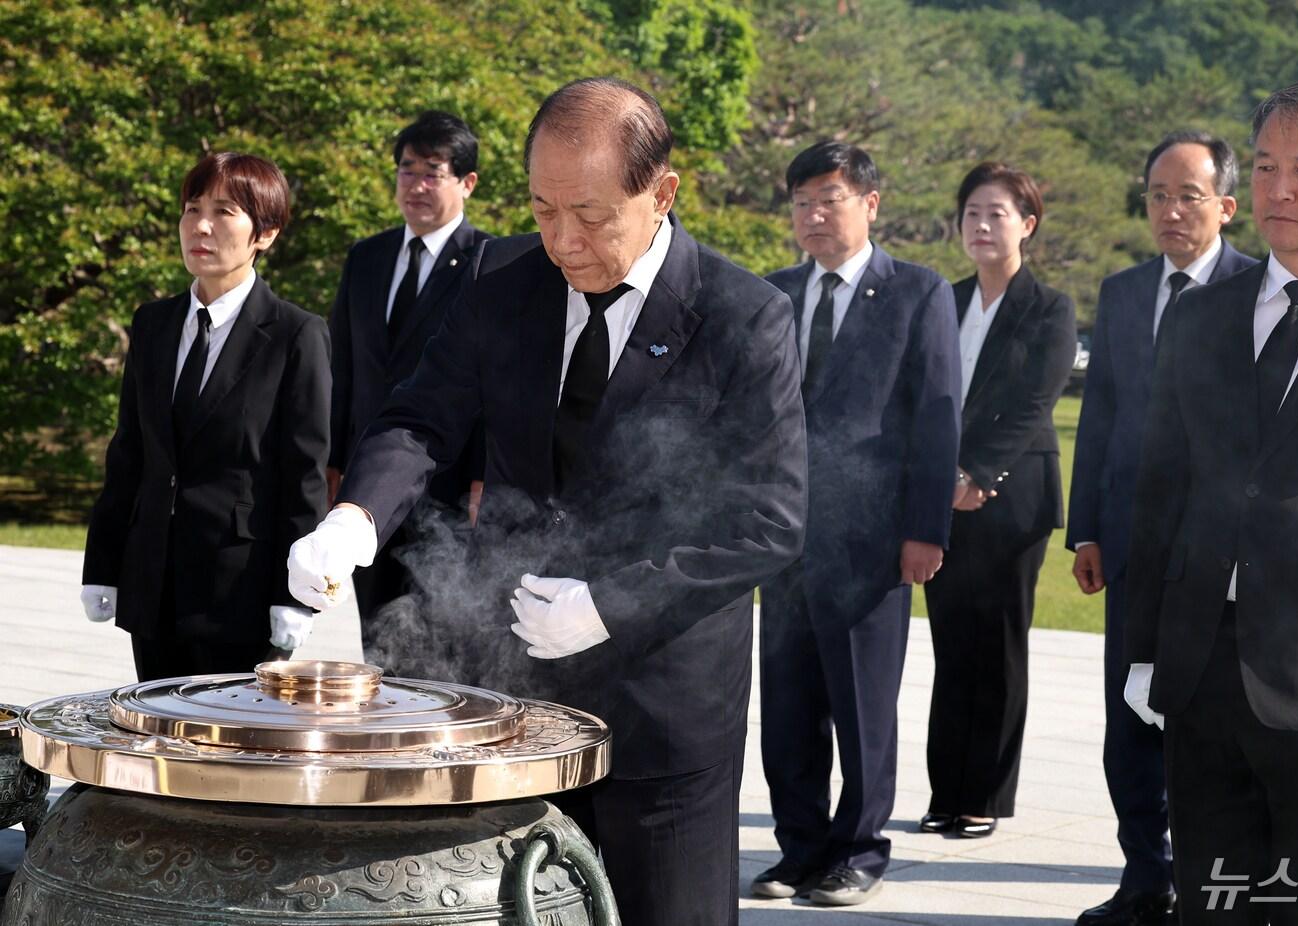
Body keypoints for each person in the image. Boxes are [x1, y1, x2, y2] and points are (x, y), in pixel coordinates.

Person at [286, 77, 807, 926]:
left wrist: (612, 604)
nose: (563, 241)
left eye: (592, 217)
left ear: (660, 193)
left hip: (661, 709)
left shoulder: (744, 317)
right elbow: (420, 418)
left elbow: (770, 521)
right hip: (519, 701)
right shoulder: (502, 284)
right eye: (541, 211)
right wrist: (357, 518)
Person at [1124, 81, 1298, 923]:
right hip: (1204, 672)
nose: (1279, 190)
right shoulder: (1202, 317)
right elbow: (1160, 492)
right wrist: (1142, 649)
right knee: (1214, 901)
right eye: (1269, 166)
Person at [753, 142, 960, 906]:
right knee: (787, 707)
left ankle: (861, 849)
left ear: (871, 203)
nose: (813, 214)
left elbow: (937, 420)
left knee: (863, 706)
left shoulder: (917, 292)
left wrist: (926, 528)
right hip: (782, 540)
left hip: (873, 539)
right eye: (802, 200)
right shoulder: (772, 295)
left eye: (829, 198)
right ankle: (799, 848)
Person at [1066, 131, 1256, 926]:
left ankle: (1214, 885)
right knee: (1127, 723)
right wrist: (1085, 532)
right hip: (1131, 542)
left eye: (1189, 196)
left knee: (1206, 722)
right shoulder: (1122, 291)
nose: (1171, 211)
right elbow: (1099, 417)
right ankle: (1146, 877)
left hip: (1216, 554)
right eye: (1157, 196)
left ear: (1227, 206)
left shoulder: (1258, 289)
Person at [81, 152, 330, 681]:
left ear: (266, 233)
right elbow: (129, 454)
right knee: (157, 745)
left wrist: (297, 599)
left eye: (224, 212)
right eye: (192, 208)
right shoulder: (152, 324)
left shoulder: (295, 335)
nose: (201, 226)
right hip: (153, 585)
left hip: (240, 592)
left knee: (236, 754)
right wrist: (102, 566)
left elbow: (303, 477)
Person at [921, 162, 1075, 840]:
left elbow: (1033, 403)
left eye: (997, 214)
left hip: (1011, 503)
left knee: (999, 649)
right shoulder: (942, 300)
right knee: (952, 648)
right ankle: (945, 792)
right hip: (943, 498)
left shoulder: (1050, 308)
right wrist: (939, 476)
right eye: (972, 214)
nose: (982, 226)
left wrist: (980, 474)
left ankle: (983, 795)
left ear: (1027, 225)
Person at [326, 111, 491, 669]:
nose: (416, 186)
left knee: (439, 643)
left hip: (447, 488)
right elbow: (343, 367)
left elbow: (497, 382)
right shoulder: (365, 258)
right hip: (367, 486)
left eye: (433, 173)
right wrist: (334, 463)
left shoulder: (490, 263)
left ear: (467, 182)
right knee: (377, 639)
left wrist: (482, 473)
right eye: (407, 170)